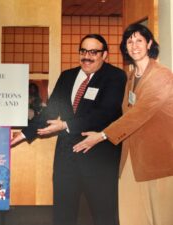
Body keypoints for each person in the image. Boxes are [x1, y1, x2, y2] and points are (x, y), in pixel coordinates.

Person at [11, 34, 127, 225]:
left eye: (93, 52)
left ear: (104, 55)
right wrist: (24, 134)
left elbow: (106, 113)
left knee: (104, 215)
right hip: (66, 158)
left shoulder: (115, 76)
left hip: (98, 157)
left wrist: (66, 125)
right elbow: (51, 110)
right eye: (83, 51)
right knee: (63, 214)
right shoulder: (67, 76)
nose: (87, 56)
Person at [73, 24, 173, 225]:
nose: (134, 45)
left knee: (161, 216)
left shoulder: (162, 76)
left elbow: (139, 113)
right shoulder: (130, 77)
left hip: (157, 158)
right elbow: (125, 112)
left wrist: (101, 135)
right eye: (129, 41)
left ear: (149, 44)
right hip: (131, 156)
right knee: (131, 214)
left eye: (139, 40)